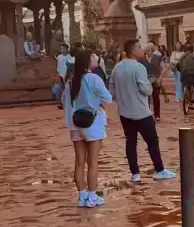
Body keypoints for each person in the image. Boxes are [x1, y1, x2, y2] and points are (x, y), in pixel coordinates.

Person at [110, 38, 176, 183]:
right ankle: (159, 170)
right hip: (141, 112)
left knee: (130, 142)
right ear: (133, 51)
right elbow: (145, 89)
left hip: (124, 112)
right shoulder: (138, 67)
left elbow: (112, 90)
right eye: (139, 47)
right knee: (152, 141)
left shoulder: (117, 68)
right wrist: (150, 87)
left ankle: (135, 173)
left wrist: (122, 99)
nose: (142, 49)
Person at [63, 47, 112, 207]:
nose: (96, 57)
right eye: (93, 56)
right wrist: (95, 102)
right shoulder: (93, 78)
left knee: (79, 161)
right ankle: (92, 196)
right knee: (93, 162)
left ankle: (82, 195)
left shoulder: (72, 80)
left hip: (75, 124)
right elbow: (108, 97)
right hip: (93, 123)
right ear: (87, 61)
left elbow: (64, 100)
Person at [143, 41, 164, 121]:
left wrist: (160, 78)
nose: (148, 52)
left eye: (149, 50)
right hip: (146, 80)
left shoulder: (158, 58)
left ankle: (157, 115)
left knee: (156, 97)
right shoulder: (143, 59)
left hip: (156, 79)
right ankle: (147, 114)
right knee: (146, 98)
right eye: (147, 50)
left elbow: (163, 68)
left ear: (152, 50)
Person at [54, 42, 72, 107]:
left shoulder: (69, 57)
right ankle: (62, 102)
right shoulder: (59, 57)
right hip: (61, 75)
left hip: (67, 75)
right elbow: (58, 66)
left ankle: (63, 103)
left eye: (63, 49)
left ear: (67, 49)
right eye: (61, 49)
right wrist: (58, 74)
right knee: (61, 88)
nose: (62, 50)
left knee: (66, 88)